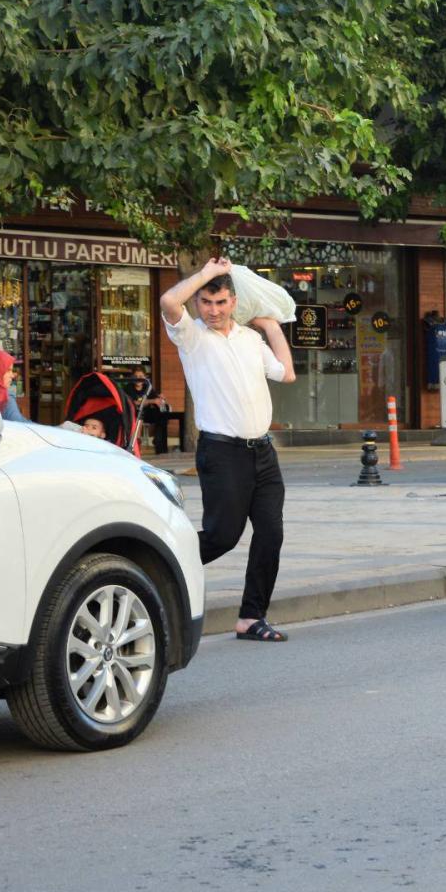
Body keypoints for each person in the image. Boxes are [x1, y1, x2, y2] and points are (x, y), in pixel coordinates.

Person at [161, 257, 297, 643]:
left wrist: (271, 326)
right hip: (222, 454)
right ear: (197, 303)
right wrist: (206, 273)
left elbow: (286, 373)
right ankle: (156, 568)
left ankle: (251, 617)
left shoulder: (250, 340)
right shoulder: (192, 337)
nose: (214, 310)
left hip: (263, 454)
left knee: (271, 533)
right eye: (206, 302)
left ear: (233, 302)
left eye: (221, 302)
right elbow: (169, 302)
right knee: (223, 536)